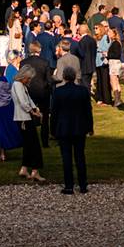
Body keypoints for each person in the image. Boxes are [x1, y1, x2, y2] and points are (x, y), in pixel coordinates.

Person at [50, 65, 92, 194]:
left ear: (63, 77)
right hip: (79, 127)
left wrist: (53, 129)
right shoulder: (83, 91)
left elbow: (54, 113)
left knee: (66, 157)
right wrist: (90, 127)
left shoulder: (58, 92)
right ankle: (83, 185)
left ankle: (69, 185)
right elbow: (87, 111)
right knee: (80, 156)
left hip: (64, 128)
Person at [10, 66, 46, 183]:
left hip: (23, 117)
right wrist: (32, 111)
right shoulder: (18, 85)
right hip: (24, 118)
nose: (29, 81)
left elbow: (28, 99)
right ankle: (35, 170)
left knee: (28, 145)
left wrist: (35, 108)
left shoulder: (21, 85)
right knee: (34, 145)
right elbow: (23, 102)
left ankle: (24, 168)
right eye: (28, 78)